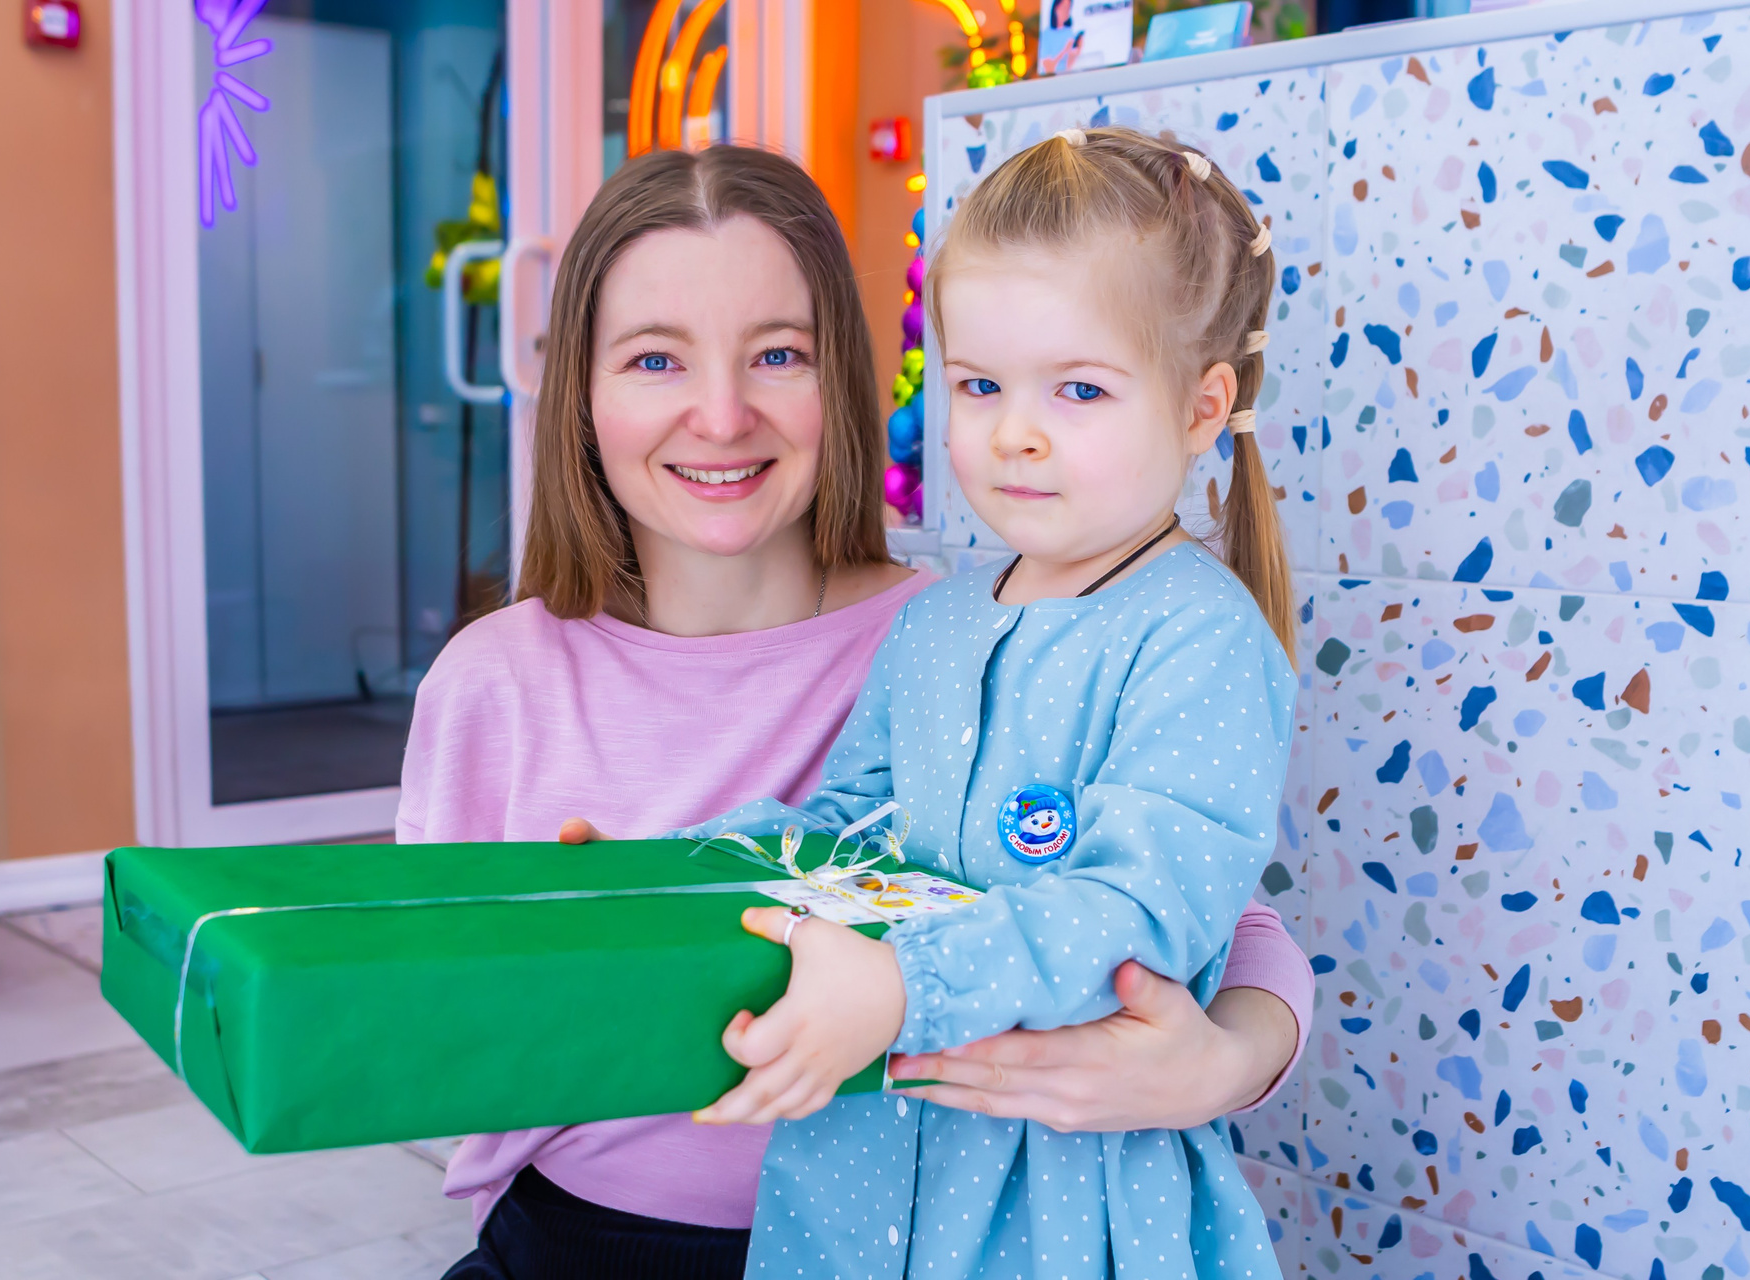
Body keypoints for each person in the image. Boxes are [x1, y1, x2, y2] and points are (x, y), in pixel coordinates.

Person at [403, 143, 1310, 1280]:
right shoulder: (496, 681)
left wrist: (1229, 1061)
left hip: (941, 1224)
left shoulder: (966, 620)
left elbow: (1202, 910)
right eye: (654, 358)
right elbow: (841, 839)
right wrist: (659, 880)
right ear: (578, 391)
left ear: (841, 378)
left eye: (777, 353)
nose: (720, 414)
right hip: (664, 1232)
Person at [683, 126, 1295, 1280]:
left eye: (1079, 387)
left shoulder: (1201, 639)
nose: (1014, 430)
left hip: (1056, 1192)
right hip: (860, 1172)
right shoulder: (935, 622)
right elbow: (845, 833)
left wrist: (906, 982)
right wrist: (669, 873)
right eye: (978, 385)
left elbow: (1138, 907)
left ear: (1202, 406)